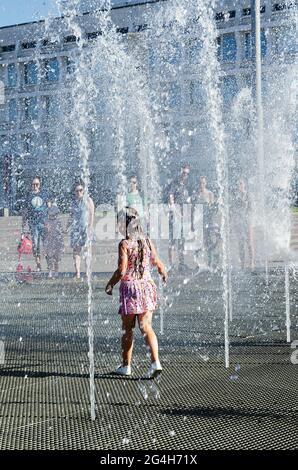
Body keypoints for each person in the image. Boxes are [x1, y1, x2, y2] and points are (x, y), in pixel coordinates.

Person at [105, 207, 167, 379]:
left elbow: (122, 270)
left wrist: (110, 284)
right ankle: (156, 363)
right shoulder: (146, 241)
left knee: (127, 328)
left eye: (118, 222)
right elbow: (156, 261)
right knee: (146, 327)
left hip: (131, 289)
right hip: (147, 287)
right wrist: (162, 272)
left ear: (124, 225)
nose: (117, 226)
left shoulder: (125, 244)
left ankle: (126, 366)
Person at [66, 181, 95, 280]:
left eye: (80, 190)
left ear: (83, 190)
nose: (79, 192)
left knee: (87, 250)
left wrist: (90, 226)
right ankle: (77, 272)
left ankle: (87, 272)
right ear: (74, 192)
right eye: (77, 190)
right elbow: (71, 216)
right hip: (76, 229)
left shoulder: (88, 200)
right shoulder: (73, 202)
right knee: (76, 251)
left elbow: (92, 214)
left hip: (85, 228)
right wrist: (67, 227)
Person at [164, 163, 191, 269]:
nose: (185, 175)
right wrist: (178, 213)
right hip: (175, 216)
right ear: (180, 171)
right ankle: (171, 265)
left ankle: (181, 263)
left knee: (182, 240)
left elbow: (186, 200)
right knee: (173, 240)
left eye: (187, 174)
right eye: (184, 173)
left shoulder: (185, 185)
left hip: (183, 216)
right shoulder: (174, 184)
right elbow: (171, 201)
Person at [21, 176, 49, 271]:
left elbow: (49, 207)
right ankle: (38, 265)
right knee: (35, 245)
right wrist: (23, 223)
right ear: (31, 185)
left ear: (39, 185)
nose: (35, 186)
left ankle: (49, 265)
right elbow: (25, 211)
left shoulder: (44, 194)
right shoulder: (28, 196)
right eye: (33, 184)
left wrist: (50, 221)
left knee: (46, 244)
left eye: (37, 184)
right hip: (33, 224)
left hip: (43, 223)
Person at [191, 176, 215, 268]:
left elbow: (213, 209)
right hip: (198, 222)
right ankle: (199, 263)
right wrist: (192, 223)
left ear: (206, 183)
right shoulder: (196, 194)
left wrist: (212, 222)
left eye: (203, 183)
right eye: (200, 183)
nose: (202, 185)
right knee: (198, 243)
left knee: (208, 241)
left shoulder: (210, 194)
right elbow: (193, 209)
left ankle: (210, 262)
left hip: (207, 221)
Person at [232, 178, 255, 270]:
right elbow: (233, 209)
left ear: (244, 185)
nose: (239, 186)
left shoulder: (248, 195)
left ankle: (251, 262)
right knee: (240, 243)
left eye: (241, 184)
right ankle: (242, 263)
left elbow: (251, 209)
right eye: (238, 184)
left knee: (249, 242)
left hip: (247, 221)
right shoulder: (236, 197)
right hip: (239, 222)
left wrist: (246, 213)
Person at [43, 205, 64, 278]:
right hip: (49, 241)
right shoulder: (46, 221)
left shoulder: (58, 221)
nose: (54, 216)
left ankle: (56, 271)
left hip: (57, 241)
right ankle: (50, 271)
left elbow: (60, 233)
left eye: (55, 214)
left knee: (56, 258)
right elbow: (45, 232)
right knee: (49, 257)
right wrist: (46, 229)